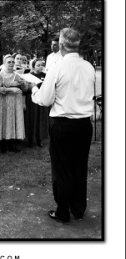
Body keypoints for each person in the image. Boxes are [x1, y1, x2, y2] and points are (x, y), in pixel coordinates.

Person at [31, 28, 95, 222]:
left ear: (60, 44)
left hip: (63, 124)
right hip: (84, 125)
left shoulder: (57, 67)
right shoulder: (89, 67)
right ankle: (78, 207)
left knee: (61, 168)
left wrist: (34, 90)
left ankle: (63, 211)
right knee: (79, 166)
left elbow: (45, 99)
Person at [0, 54, 25, 153]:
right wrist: (11, 88)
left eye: (12, 62)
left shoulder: (17, 74)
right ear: (4, 63)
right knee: (4, 121)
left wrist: (23, 83)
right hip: (3, 101)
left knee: (13, 121)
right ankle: (2, 144)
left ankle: (12, 143)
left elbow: (24, 88)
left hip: (15, 101)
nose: (11, 63)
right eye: (9, 62)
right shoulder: (0, 75)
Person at [24, 58, 50, 148]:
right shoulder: (29, 76)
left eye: (41, 65)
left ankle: (39, 139)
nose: (40, 67)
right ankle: (30, 139)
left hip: (41, 99)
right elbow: (25, 89)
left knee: (40, 119)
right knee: (31, 119)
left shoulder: (46, 75)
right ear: (33, 66)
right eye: (38, 65)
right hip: (31, 100)